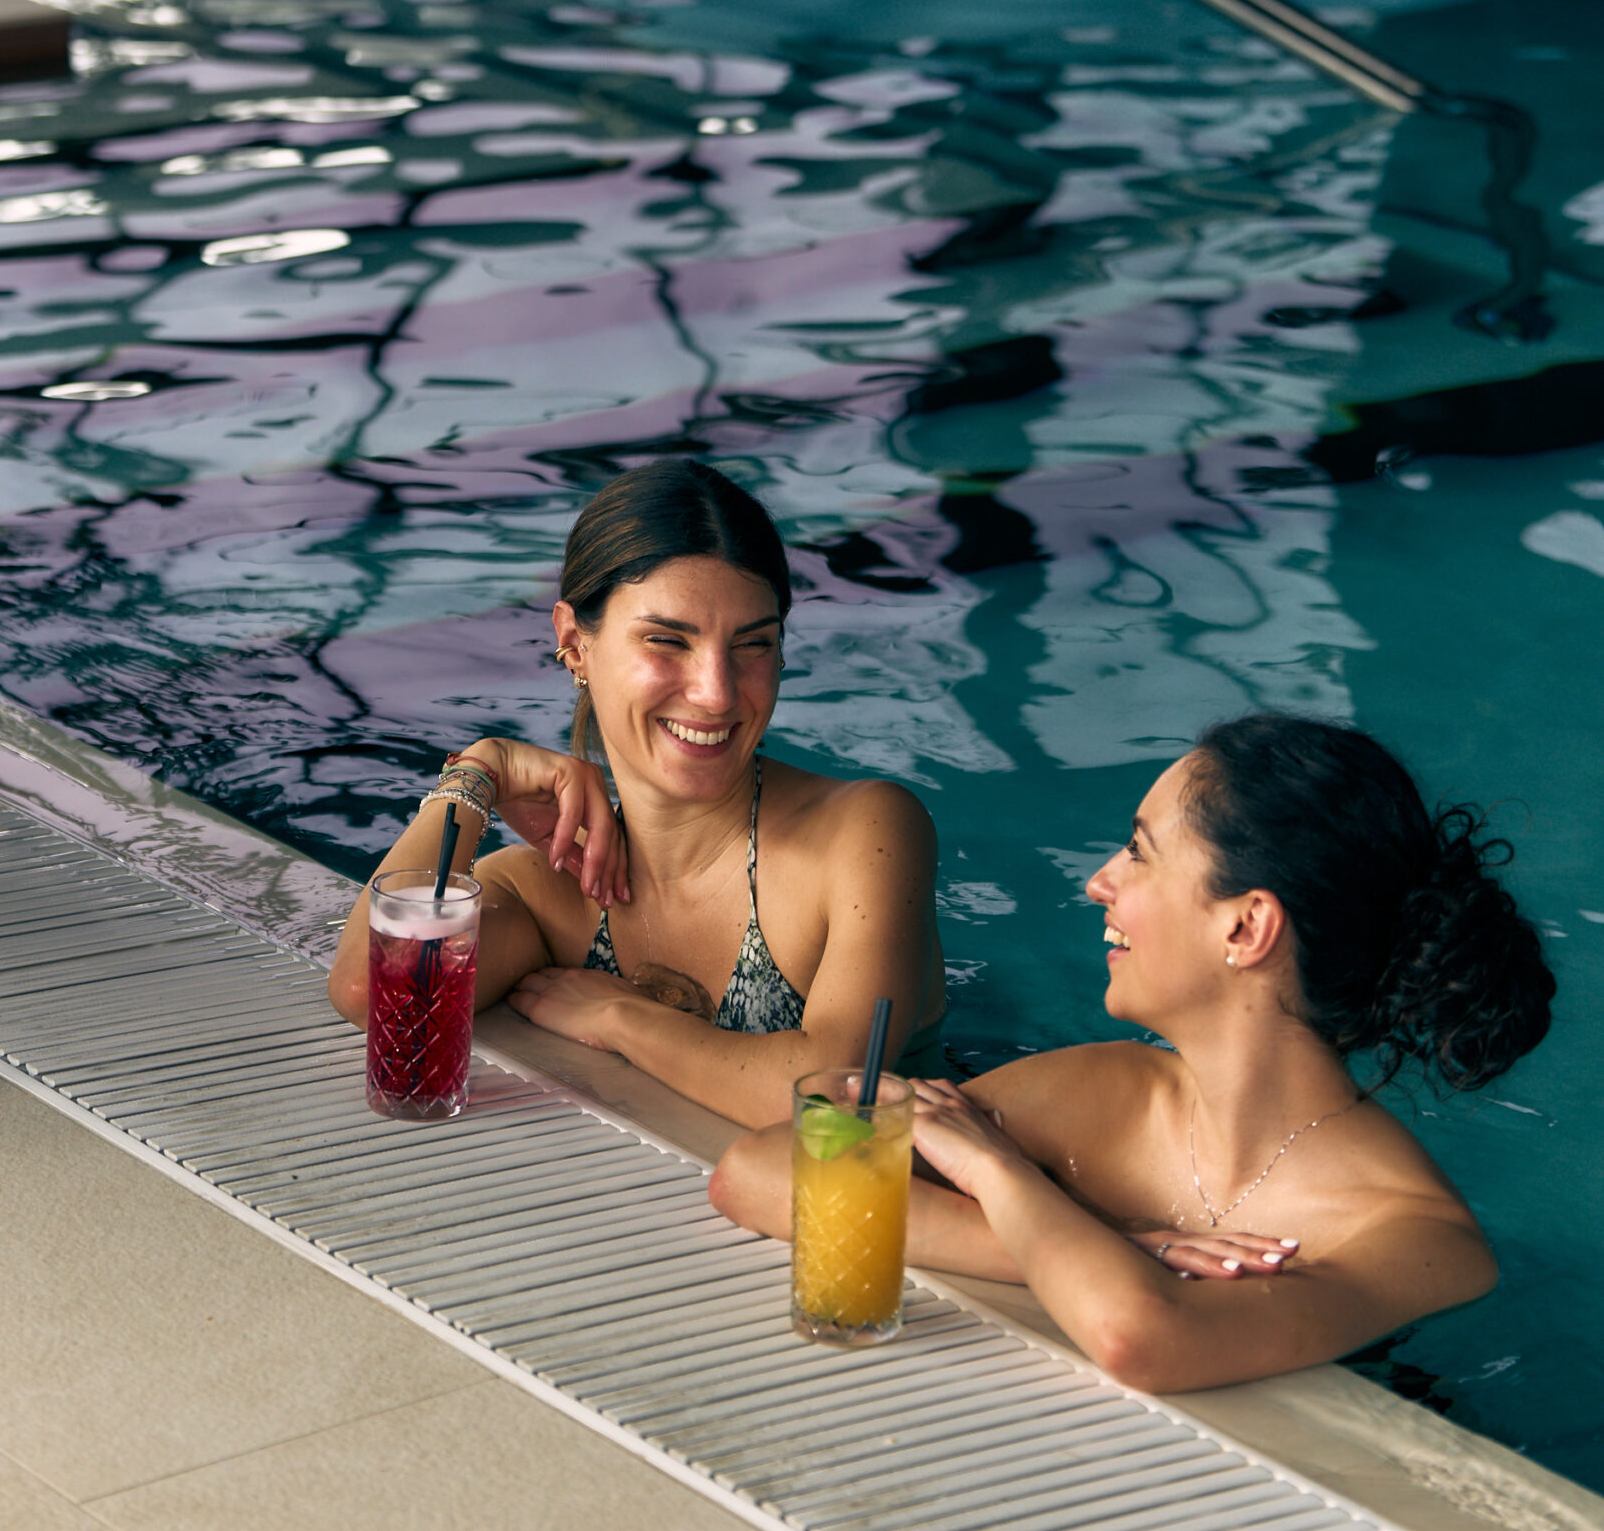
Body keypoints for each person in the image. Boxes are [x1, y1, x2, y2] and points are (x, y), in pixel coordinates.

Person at [710, 712, 1555, 1392]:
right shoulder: (1109, 1089)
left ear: (1244, 926)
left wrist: (995, 1173)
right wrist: (1122, 1244)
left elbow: (1138, 1338)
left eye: (1139, 852)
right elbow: (756, 1172)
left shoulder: (1415, 1238)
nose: (1098, 880)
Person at [329, 460, 948, 1125]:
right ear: (574, 644)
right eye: (666, 641)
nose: (715, 692)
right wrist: (476, 774)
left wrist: (621, 1017)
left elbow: (832, 1095)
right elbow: (375, 993)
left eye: (752, 644)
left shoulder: (862, 832)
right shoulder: (549, 895)